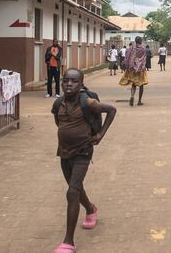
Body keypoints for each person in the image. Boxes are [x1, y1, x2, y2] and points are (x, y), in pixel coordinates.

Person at [51, 68, 116, 253]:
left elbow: (111, 110)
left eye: (73, 81)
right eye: (65, 81)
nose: (69, 84)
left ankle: (68, 242)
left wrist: (100, 135)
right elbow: (59, 123)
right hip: (64, 153)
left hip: (83, 152)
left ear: (81, 84)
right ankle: (90, 209)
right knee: (76, 189)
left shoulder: (88, 102)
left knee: (72, 192)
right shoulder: (58, 104)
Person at [119, 37, 148, 106]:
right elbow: (143, 59)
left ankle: (132, 96)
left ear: (135, 41)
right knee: (141, 85)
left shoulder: (131, 48)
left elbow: (127, 57)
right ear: (140, 41)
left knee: (133, 84)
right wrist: (143, 66)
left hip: (132, 69)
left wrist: (127, 66)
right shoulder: (143, 49)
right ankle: (139, 101)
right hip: (140, 69)